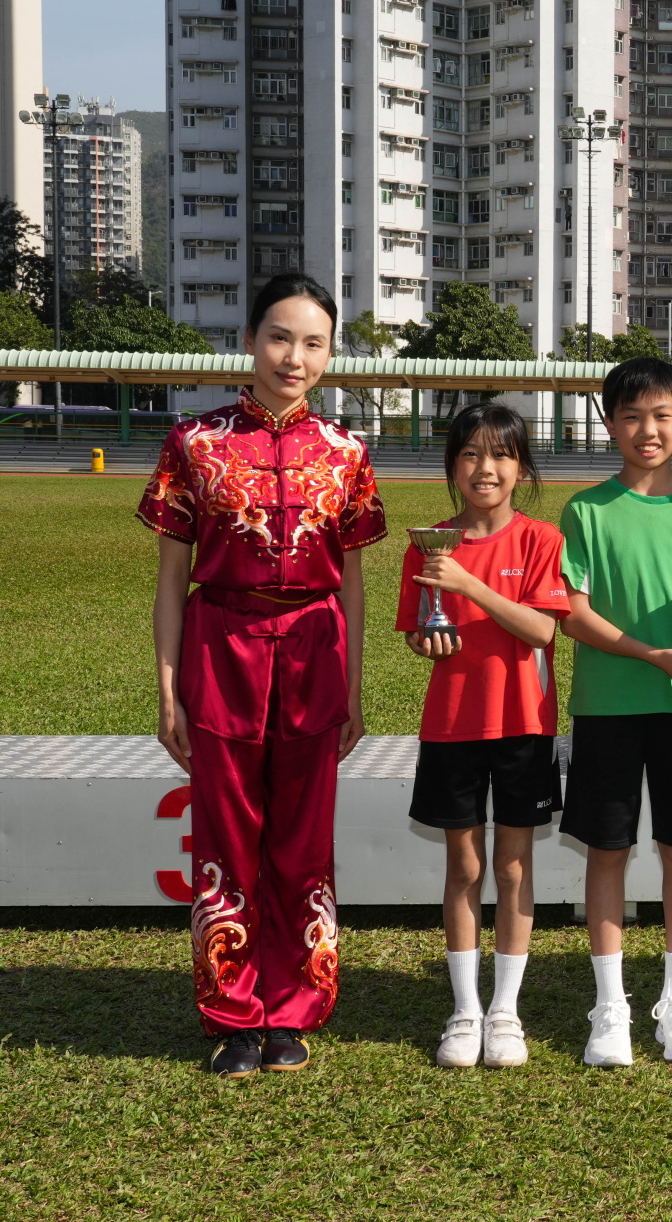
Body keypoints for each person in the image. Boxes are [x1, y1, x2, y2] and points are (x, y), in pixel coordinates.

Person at [143, 273, 386, 1079]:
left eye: (314, 343)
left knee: (302, 838)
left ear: (330, 355)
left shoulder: (347, 453)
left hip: (315, 650)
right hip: (220, 646)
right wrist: (168, 689)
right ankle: (234, 1016)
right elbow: (171, 578)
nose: (294, 357)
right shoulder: (193, 444)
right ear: (249, 340)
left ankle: (293, 1011)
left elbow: (352, 583)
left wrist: (353, 689)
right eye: (280, 337)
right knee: (225, 834)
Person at [557, 357, 672, 1068]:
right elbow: (574, 613)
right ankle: (610, 1007)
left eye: (662, 415)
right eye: (631, 416)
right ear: (610, 425)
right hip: (608, 704)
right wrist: (649, 653)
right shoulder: (586, 510)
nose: (647, 430)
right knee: (608, 850)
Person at [397, 403, 569, 1071]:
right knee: (464, 867)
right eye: (470, 454)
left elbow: (542, 630)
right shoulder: (428, 544)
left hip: (523, 723)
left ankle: (506, 1011)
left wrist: (468, 582)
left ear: (521, 467)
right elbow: (420, 630)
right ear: (452, 465)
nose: (485, 468)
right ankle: (466, 1009)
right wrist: (426, 640)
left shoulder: (540, 539)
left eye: (500, 454)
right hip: (452, 724)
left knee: (514, 867)